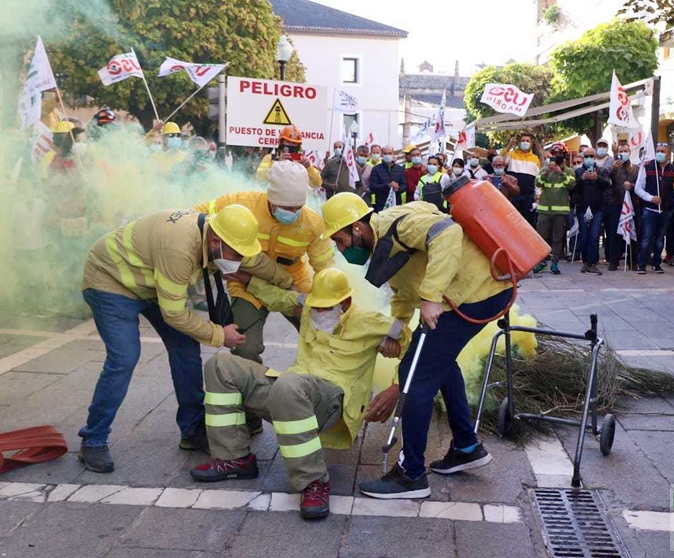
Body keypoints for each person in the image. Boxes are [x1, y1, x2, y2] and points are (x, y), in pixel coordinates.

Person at [320, 194, 514, 499]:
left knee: (415, 374)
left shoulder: (398, 227)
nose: (341, 250)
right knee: (441, 363)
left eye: (340, 240)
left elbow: (448, 233)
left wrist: (432, 297)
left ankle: (411, 475)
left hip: (476, 294)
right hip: (474, 294)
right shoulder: (382, 242)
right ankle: (466, 446)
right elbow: (402, 291)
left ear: (357, 227)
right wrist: (394, 331)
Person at [191, 267, 411, 520]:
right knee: (220, 366)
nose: (317, 312)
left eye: (325, 307)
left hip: (331, 403)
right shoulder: (308, 307)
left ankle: (314, 482)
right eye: (315, 306)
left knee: (289, 384)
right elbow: (275, 296)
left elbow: (416, 351)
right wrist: (244, 277)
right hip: (290, 393)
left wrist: (395, 388)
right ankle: (234, 457)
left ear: (346, 302)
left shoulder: (375, 324)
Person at [78, 205, 264, 472]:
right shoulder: (179, 248)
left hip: (150, 283)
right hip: (109, 280)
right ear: (216, 241)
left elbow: (193, 294)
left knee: (186, 348)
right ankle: (93, 440)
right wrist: (219, 334)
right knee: (125, 357)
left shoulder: (208, 235)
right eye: (237, 253)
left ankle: (192, 429)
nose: (239, 260)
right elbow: (174, 314)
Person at [193, 162, 334, 417]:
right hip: (244, 283)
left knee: (320, 337)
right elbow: (196, 217)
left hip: (293, 282)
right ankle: (251, 412)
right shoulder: (240, 203)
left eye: (297, 208)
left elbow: (325, 267)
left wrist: (327, 301)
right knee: (246, 348)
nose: (292, 213)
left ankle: (326, 402)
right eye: (285, 208)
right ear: (271, 198)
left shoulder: (313, 224)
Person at [635, 144, 674, 274]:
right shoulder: (647, 167)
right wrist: (650, 198)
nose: (660, 153)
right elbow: (638, 188)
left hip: (667, 209)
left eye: (663, 151)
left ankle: (656, 263)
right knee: (646, 237)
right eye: (658, 151)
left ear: (669, 154)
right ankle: (642, 263)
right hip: (650, 209)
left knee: (660, 238)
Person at [533, 148, 576, 275]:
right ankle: (541, 262)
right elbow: (538, 183)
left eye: (560, 154)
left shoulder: (569, 171)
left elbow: (571, 185)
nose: (557, 156)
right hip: (544, 210)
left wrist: (560, 173)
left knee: (558, 238)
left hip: (560, 212)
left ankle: (555, 262)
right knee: (541, 237)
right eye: (555, 154)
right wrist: (547, 172)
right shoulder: (545, 169)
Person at [574, 148, 610, 275]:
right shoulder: (578, 171)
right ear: (583, 157)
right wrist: (581, 179)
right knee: (584, 235)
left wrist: (597, 178)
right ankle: (585, 262)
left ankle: (593, 263)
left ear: (594, 157)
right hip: (583, 209)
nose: (589, 158)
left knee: (594, 236)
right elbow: (573, 189)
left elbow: (608, 185)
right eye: (587, 156)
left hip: (597, 209)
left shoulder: (601, 170)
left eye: (591, 155)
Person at [606, 143, 640, 270]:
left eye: (626, 150)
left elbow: (640, 183)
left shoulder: (635, 168)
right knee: (615, 233)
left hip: (633, 204)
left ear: (630, 152)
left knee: (633, 231)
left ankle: (633, 261)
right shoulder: (614, 167)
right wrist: (614, 169)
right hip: (616, 203)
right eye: (621, 151)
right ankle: (614, 260)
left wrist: (631, 185)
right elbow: (607, 179)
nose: (624, 153)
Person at [255, 125, 323, 188]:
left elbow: (317, 184)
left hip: (296, 199)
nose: (290, 145)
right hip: (273, 198)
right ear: (281, 142)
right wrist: (276, 163)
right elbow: (259, 178)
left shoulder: (303, 160)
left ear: (298, 145)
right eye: (287, 141)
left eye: (294, 143)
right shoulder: (270, 158)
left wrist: (309, 168)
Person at [500, 132, 542, 226]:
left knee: (528, 224)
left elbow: (537, 180)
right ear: (519, 142)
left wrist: (538, 197)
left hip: (528, 197)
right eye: (523, 141)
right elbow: (500, 159)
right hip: (513, 196)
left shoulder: (535, 159)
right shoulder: (512, 155)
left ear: (531, 143)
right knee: (510, 223)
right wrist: (509, 145)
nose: (525, 142)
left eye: (527, 141)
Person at [369, 145, 407, 211]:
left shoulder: (400, 169)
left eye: (390, 153)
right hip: (381, 205)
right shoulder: (376, 169)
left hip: (396, 205)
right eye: (385, 153)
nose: (387, 155)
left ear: (393, 154)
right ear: (382, 154)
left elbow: (404, 185)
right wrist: (387, 186)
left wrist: (398, 188)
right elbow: (372, 187)